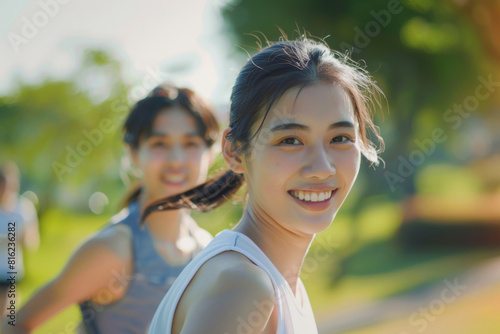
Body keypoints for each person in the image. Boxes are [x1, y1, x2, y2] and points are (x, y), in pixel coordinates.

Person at [144, 37, 385, 334]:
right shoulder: (243, 287)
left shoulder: (271, 282)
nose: (322, 168)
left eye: (340, 138)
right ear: (234, 152)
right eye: (290, 141)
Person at [2, 84, 220, 334]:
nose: (176, 160)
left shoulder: (205, 249)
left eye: (191, 143)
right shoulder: (114, 249)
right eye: (160, 143)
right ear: (134, 153)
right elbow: (16, 323)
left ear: (210, 153)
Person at [0, 162, 40, 314]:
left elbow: (32, 242)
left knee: (8, 316)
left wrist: (13, 239)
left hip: (11, 272)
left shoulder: (23, 208)